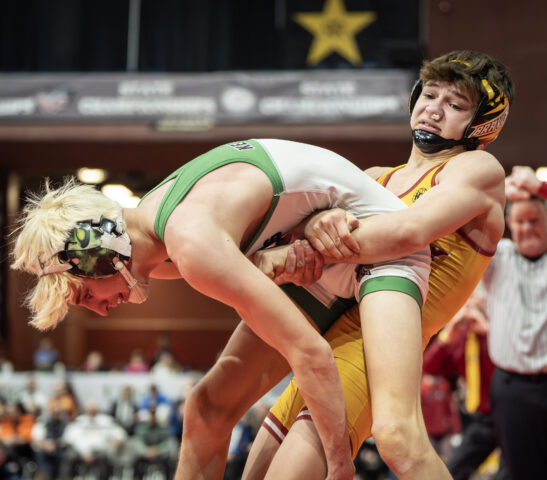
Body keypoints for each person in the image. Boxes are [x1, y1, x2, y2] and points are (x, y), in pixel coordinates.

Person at [12, 138, 434, 479]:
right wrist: (272, 257)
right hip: (326, 260)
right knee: (207, 407)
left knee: (390, 441)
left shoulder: (190, 245)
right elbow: (258, 260)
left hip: (382, 249)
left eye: (86, 296)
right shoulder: (163, 234)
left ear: (100, 256)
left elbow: (310, 355)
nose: (101, 311)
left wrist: (341, 466)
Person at [243, 50, 513, 480]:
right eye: (430, 94)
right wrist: (312, 225)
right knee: (257, 471)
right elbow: (298, 234)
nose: (434, 110)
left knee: (397, 443)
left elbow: (408, 231)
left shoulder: (477, 169)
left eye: (455, 104)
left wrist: (309, 243)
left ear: (482, 124)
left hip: (377, 348)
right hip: (332, 339)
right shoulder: (374, 178)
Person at [483, 165, 547, 479]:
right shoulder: (497, 257)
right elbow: (458, 226)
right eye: (520, 222)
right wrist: (496, 194)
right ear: (509, 224)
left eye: (535, 221)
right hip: (512, 388)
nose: (527, 228)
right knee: (520, 471)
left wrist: (541, 188)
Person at [422, 289, 505, 479]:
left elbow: (512, 362)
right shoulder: (461, 339)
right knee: (453, 470)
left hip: (510, 412)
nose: (470, 314)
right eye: (466, 308)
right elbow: (429, 366)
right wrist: (448, 332)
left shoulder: (499, 334)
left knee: (510, 473)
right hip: (483, 417)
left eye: (476, 308)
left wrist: (488, 331)